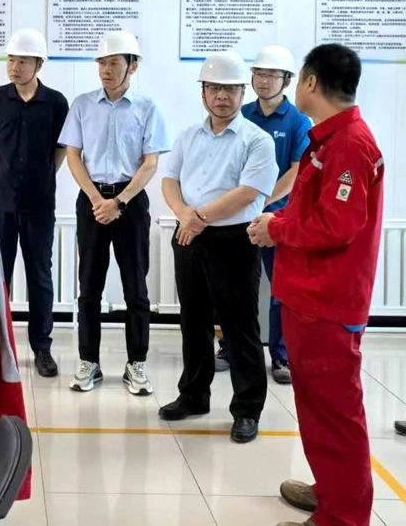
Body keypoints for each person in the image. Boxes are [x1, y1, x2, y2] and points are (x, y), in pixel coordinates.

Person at [248, 44, 384, 526]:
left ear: (308, 82)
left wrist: (276, 228)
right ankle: (331, 490)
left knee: (336, 412)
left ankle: (344, 516)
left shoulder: (349, 144)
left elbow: (337, 225)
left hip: (327, 303)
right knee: (318, 407)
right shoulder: (329, 139)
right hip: (309, 297)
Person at [158, 51, 277, 444]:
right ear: (203, 93)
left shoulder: (256, 140)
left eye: (230, 89)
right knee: (193, 321)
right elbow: (170, 181)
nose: (221, 96)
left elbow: (249, 192)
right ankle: (193, 395)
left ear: (243, 92)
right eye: (214, 88)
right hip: (189, 236)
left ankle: (247, 409)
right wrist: (184, 215)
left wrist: (199, 218)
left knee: (240, 326)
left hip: (234, 239)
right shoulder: (188, 136)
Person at [59, 31, 170, 394]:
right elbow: (73, 156)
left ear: (132, 67)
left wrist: (119, 202)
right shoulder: (82, 105)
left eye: (114, 64)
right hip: (92, 201)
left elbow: (150, 163)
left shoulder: (147, 108)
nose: (105, 70)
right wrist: (96, 200)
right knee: (89, 286)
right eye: (102, 63)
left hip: (130, 203)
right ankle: (88, 362)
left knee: (136, 287)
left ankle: (136, 363)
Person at [0, 29, 69, 377]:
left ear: (38, 64)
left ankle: (41, 347)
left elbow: (61, 151)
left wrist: (38, 177)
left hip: (39, 203)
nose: (14, 67)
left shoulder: (56, 103)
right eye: (11, 60)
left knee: (40, 274)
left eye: (22, 61)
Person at [239, 45, 312, 385]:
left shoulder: (299, 121)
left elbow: (297, 171)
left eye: (272, 75)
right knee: (235, 285)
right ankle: (230, 348)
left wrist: (262, 200)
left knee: (281, 288)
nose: (264, 80)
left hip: (278, 218)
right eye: (259, 73)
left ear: (287, 80)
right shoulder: (242, 114)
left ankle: (280, 355)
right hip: (239, 214)